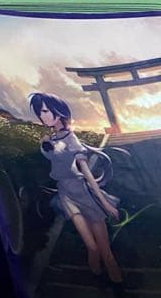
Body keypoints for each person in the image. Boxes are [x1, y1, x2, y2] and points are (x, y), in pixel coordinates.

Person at [29, 92, 123, 284]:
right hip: (66, 194)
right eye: (40, 112)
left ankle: (117, 285)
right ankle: (98, 278)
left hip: (83, 192)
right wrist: (45, 143)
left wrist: (105, 204)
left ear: (59, 112)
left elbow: (87, 174)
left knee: (105, 251)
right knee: (92, 247)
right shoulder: (50, 138)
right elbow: (53, 158)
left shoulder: (72, 140)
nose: (42, 116)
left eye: (45, 111)